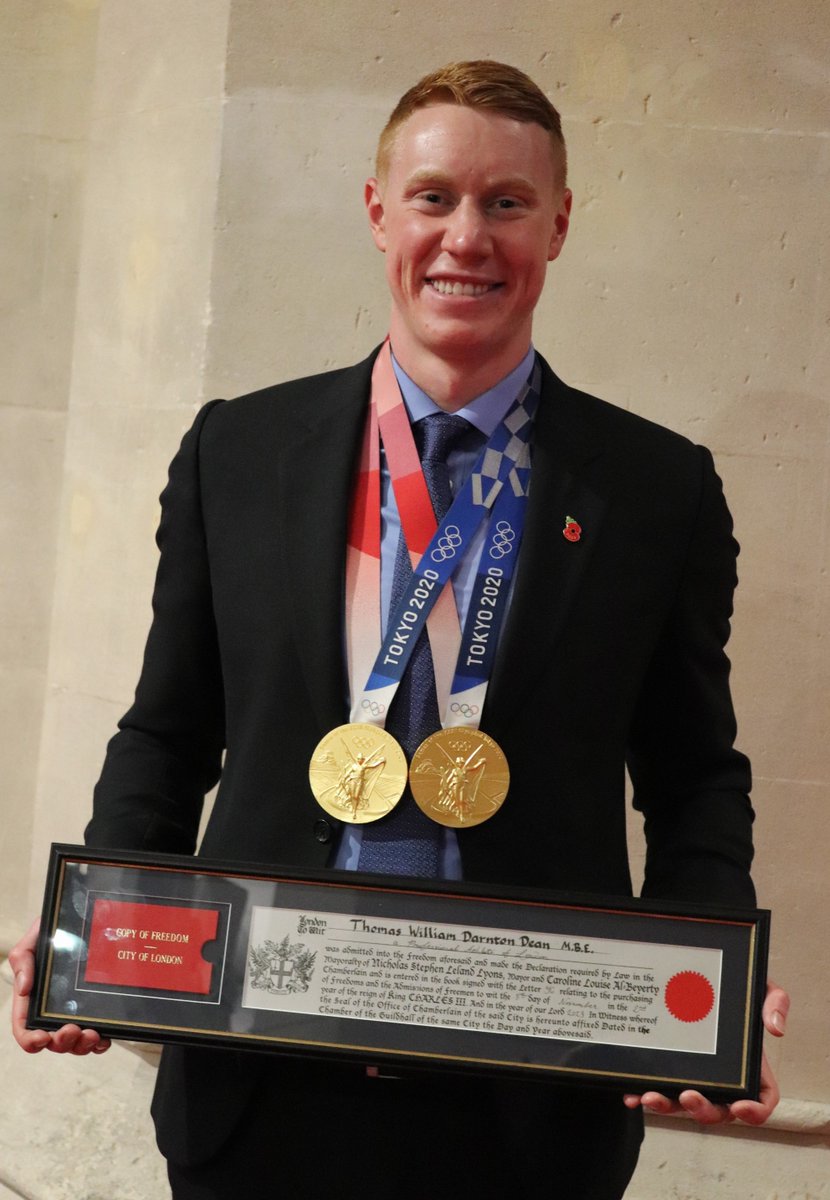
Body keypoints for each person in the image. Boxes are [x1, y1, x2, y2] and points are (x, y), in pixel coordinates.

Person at [11, 60, 789, 1199]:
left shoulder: (653, 489)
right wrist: (92, 939)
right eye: (433, 198)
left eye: (505, 203)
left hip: (526, 1111)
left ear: (558, 224)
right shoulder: (237, 452)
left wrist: (708, 972)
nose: (465, 238)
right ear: (379, 210)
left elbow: (691, 778)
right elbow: (168, 733)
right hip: (259, 1089)